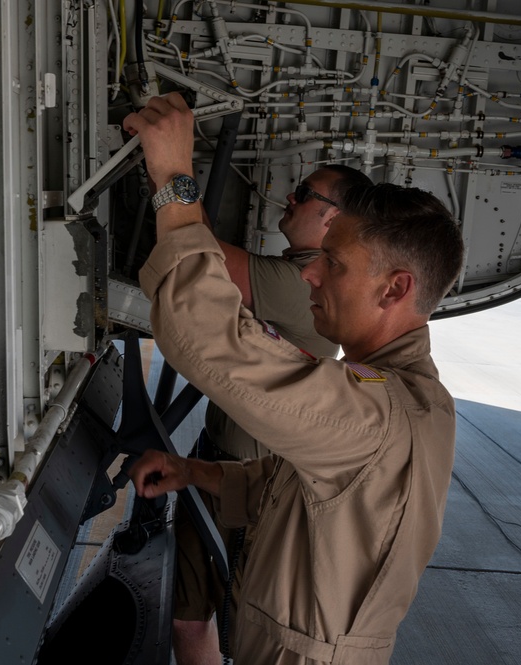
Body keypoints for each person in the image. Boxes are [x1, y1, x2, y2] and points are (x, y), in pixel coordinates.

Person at [122, 92, 465, 664]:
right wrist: (192, 471)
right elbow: (281, 493)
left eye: (333, 263)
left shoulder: (375, 414)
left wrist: (175, 180)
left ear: (395, 289)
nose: (310, 277)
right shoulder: (406, 397)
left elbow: (206, 336)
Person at [174, 164, 371, 665]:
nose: (290, 197)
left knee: (237, 634)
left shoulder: (299, 285)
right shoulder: (301, 276)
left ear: (333, 219)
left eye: (304, 194)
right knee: (190, 617)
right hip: (220, 465)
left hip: (247, 488)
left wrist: (172, 173)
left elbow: (199, 255)